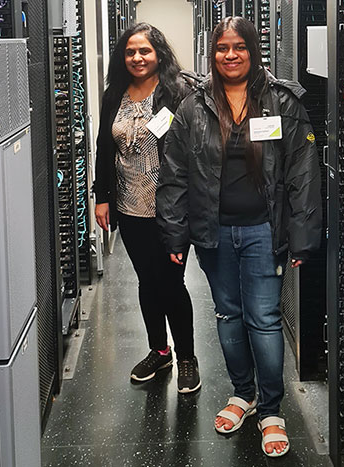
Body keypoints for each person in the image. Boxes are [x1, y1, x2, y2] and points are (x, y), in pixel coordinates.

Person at [156, 16, 321, 457]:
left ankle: (271, 410)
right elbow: (173, 175)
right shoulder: (193, 108)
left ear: (253, 49)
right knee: (228, 315)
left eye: (239, 47)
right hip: (213, 233)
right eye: (222, 48)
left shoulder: (284, 102)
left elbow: (303, 172)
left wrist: (302, 235)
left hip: (263, 232)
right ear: (213, 54)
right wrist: (175, 235)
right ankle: (243, 394)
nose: (230, 55)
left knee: (263, 319)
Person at [93, 23, 201, 394]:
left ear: (159, 54)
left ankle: (187, 358)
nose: (137, 58)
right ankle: (160, 350)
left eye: (145, 51)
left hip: (170, 209)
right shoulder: (114, 96)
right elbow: (103, 148)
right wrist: (101, 195)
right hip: (129, 206)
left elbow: (190, 149)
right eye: (130, 52)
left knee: (171, 283)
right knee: (147, 282)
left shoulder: (176, 92)